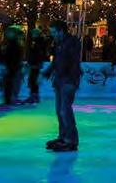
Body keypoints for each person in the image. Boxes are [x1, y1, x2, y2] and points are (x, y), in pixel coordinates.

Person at [42, 20, 82, 152]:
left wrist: (71, 79)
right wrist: (48, 72)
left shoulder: (72, 42)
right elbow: (57, 61)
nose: (52, 35)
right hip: (59, 80)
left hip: (68, 81)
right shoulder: (59, 43)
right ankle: (63, 137)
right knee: (59, 111)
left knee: (65, 111)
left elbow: (73, 62)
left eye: (54, 32)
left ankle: (71, 140)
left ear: (61, 30)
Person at [0, 25, 23, 107]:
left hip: (12, 68)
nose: (8, 34)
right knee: (8, 84)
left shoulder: (14, 44)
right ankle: (9, 100)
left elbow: (14, 56)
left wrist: (10, 66)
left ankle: (9, 101)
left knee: (10, 84)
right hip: (11, 67)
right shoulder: (10, 43)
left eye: (10, 33)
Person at [26, 27, 47, 104]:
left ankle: (34, 96)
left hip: (35, 64)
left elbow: (38, 54)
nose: (32, 35)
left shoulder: (38, 42)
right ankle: (34, 95)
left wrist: (36, 63)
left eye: (34, 33)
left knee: (33, 80)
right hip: (35, 63)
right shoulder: (36, 41)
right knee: (33, 80)